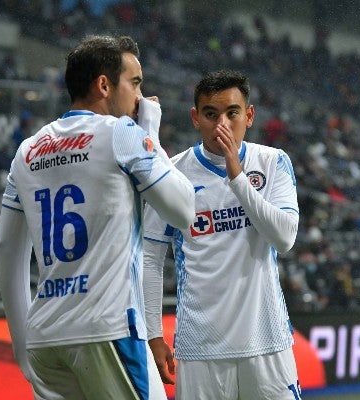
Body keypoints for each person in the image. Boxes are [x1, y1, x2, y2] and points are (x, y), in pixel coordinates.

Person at [0, 34, 195, 400]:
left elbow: (6, 248)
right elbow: (183, 210)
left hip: (45, 338)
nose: (140, 97)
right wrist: (150, 133)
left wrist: (23, 343)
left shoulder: (27, 150)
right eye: (134, 84)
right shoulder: (122, 132)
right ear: (104, 85)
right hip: (108, 330)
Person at [143, 69, 301, 400]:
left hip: (267, 341)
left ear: (250, 115)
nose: (222, 125)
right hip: (200, 347)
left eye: (232, 113)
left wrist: (237, 175)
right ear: (195, 118)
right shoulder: (172, 173)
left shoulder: (272, 163)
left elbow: (285, 239)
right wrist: (154, 334)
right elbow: (150, 255)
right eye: (211, 114)